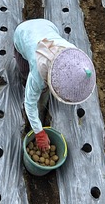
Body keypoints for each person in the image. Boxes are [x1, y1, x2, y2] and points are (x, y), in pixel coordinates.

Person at [13, 19, 96, 151]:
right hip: (23, 33)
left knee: (42, 91)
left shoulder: (73, 55)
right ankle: (26, 81)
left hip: (47, 26)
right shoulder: (38, 71)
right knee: (24, 71)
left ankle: (42, 107)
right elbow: (29, 103)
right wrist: (39, 133)